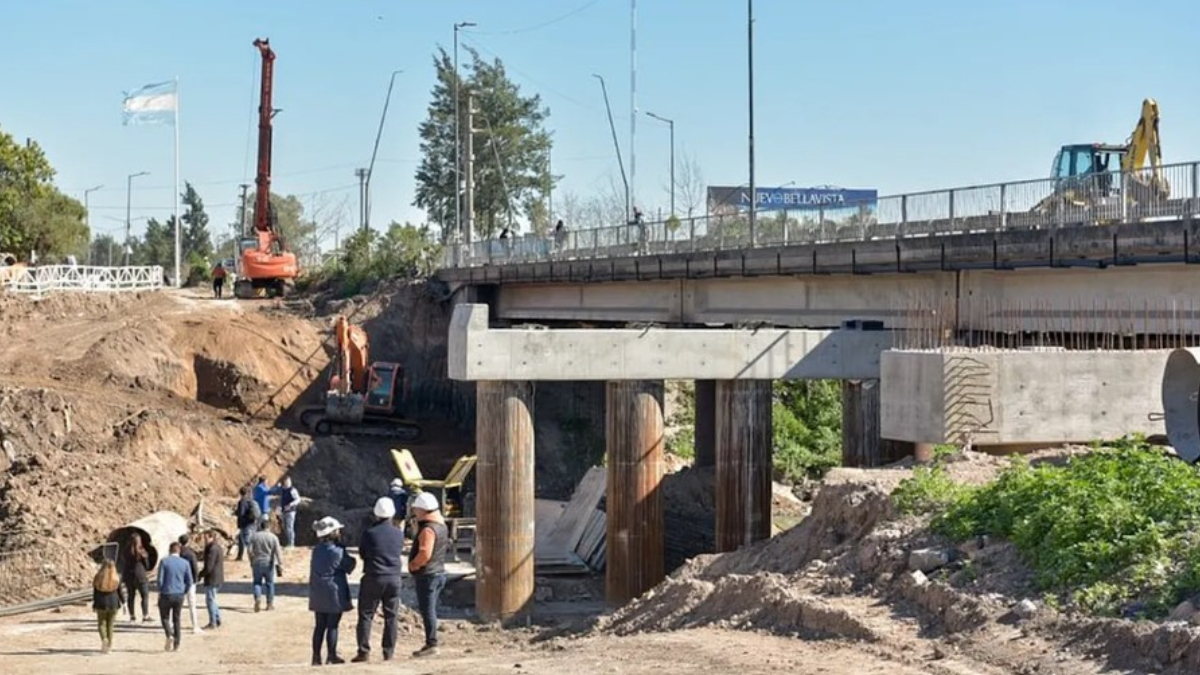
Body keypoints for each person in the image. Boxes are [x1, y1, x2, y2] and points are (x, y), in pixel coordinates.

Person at [352, 497, 406, 663]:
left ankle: (363, 651)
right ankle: (388, 652)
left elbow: (362, 553)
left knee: (366, 615)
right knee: (391, 616)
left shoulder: (369, 533)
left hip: (373, 577)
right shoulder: (398, 534)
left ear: (376, 514)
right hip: (394, 578)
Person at [309, 517, 356, 666]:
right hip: (334, 592)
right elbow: (350, 567)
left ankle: (316, 657)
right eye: (337, 531)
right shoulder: (338, 551)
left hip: (318, 591)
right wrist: (345, 550)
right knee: (332, 625)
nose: (339, 532)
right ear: (331, 533)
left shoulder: (316, 550)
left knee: (319, 625)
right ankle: (331, 655)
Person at [408, 492, 450, 658]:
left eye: (417, 509)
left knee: (428, 610)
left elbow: (425, 553)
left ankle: (431, 643)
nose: (415, 512)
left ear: (423, 510)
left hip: (428, 575)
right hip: (437, 572)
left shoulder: (428, 529)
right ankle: (431, 642)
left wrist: (413, 564)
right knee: (430, 609)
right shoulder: (441, 525)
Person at [157, 542, 194, 652]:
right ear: (179, 551)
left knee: (164, 617)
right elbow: (190, 581)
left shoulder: (164, 562)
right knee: (177, 619)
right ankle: (177, 643)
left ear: (170, 550)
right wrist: (184, 591)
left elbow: (160, 580)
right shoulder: (185, 563)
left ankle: (169, 634)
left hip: (166, 593)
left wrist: (160, 590)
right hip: (179, 594)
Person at [248, 514, 283, 612]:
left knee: (257, 583)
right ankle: (269, 604)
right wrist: (280, 564)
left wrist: (251, 560)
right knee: (269, 584)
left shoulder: (254, 536)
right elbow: (278, 552)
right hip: (269, 563)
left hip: (257, 562)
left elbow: (249, 550)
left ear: (260, 526)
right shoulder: (273, 537)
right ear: (269, 527)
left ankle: (258, 598)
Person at [92, 559, 122, 653]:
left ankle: (104, 638)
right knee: (110, 625)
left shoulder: (97, 577)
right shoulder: (116, 578)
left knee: (101, 624)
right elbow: (120, 592)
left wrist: (94, 604)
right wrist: (123, 602)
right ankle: (109, 646)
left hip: (101, 603)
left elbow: (95, 593)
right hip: (113, 603)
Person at [122, 533, 151, 623]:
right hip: (140, 575)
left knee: (131, 596)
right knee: (144, 595)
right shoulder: (141, 552)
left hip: (129, 575)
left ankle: (132, 616)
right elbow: (147, 565)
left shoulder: (126, 551)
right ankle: (145, 615)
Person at [199, 530, 225, 630]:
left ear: (211, 537)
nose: (204, 540)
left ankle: (212, 622)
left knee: (210, 601)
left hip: (213, 578)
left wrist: (200, 574)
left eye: (205, 538)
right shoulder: (216, 547)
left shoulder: (212, 549)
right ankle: (217, 618)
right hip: (217, 578)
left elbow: (209, 566)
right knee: (213, 599)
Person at [233, 486, 261, 562]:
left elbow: (241, 513)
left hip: (245, 525)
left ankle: (253, 558)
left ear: (240, 493)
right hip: (252, 524)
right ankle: (240, 556)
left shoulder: (242, 501)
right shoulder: (251, 501)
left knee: (248, 542)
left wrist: (236, 513)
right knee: (245, 540)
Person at [273, 477, 301, 548]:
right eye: (286, 482)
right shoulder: (283, 489)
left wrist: (290, 504)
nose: (287, 483)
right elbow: (276, 491)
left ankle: (291, 544)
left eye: (288, 482)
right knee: (285, 527)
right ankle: (288, 543)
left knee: (289, 527)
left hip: (291, 511)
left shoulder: (292, 490)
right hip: (284, 511)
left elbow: (298, 499)